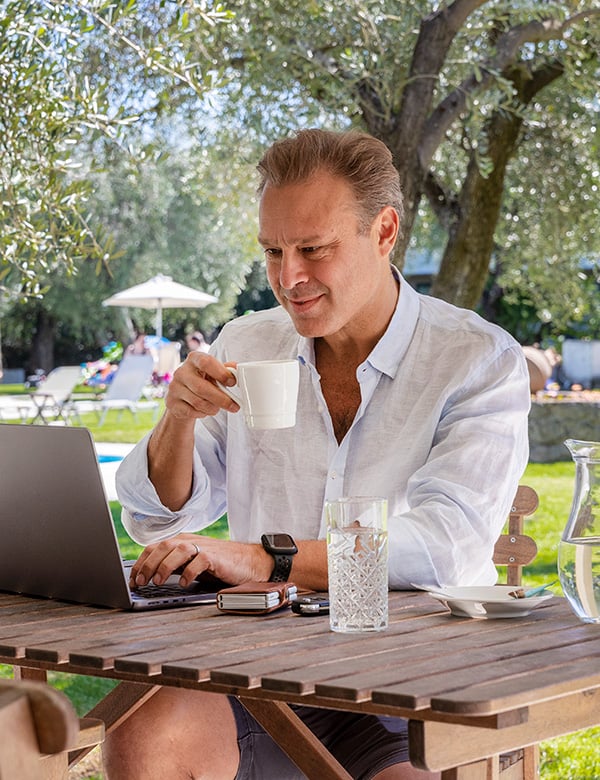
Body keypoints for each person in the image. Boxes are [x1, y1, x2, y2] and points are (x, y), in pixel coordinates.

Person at [108, 129, 530, 780]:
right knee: (141, 733)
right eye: (273, 251)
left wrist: (265, 557)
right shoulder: (248, 340)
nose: (288, 278)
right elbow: (156, 510)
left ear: (384, 232)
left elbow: (443, 543)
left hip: (405, 692)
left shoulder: (475, 360)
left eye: (313, 249)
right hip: (258, 675)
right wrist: (178, 420)